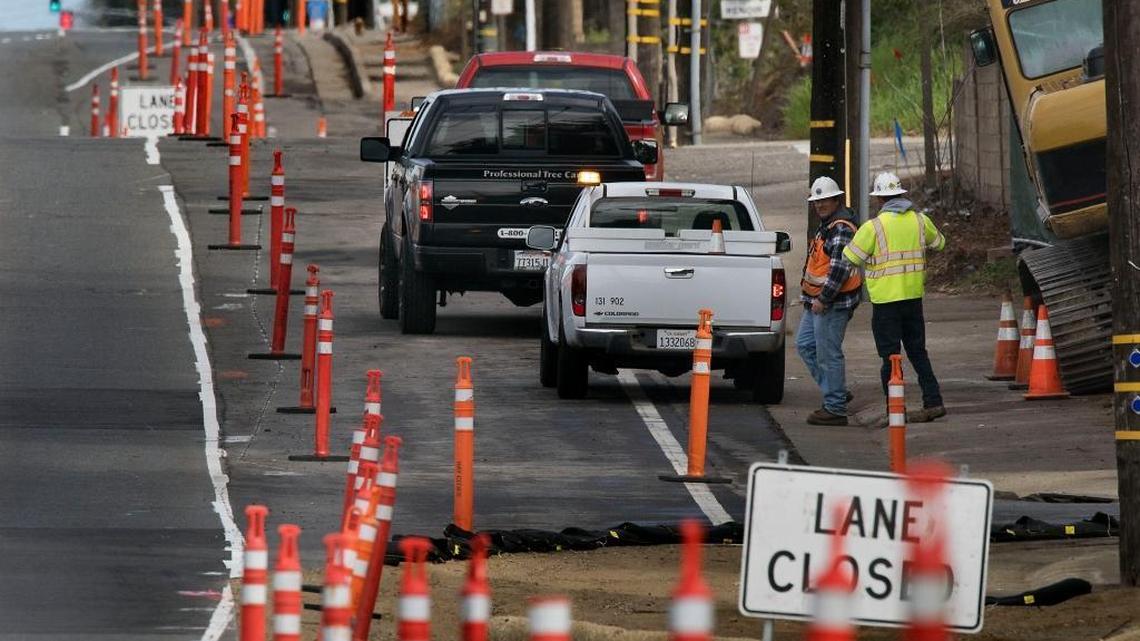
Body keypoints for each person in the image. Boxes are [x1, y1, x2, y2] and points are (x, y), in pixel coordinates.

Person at [842, 172, 948, 422]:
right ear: (902, 195)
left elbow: (850, 257)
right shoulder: (921, 220)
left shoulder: (874, 227)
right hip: (913, 299)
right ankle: (933, 401)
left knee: (890, 357)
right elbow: (940, 244)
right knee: (918, 352)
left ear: (880, 200)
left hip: (885, 303)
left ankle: (894, 408)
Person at [796, 176, 863, 426]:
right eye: (817, 201)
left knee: (828, 354)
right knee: (805, 346)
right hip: (815, 301)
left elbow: (839, 269)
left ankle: (835, 408)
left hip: (831, 304)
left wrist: (823, 299)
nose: (820, 205)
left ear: (836, 199)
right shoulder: (827, 224)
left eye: (824, 200)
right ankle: (836, 391)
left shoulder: (841, 228)